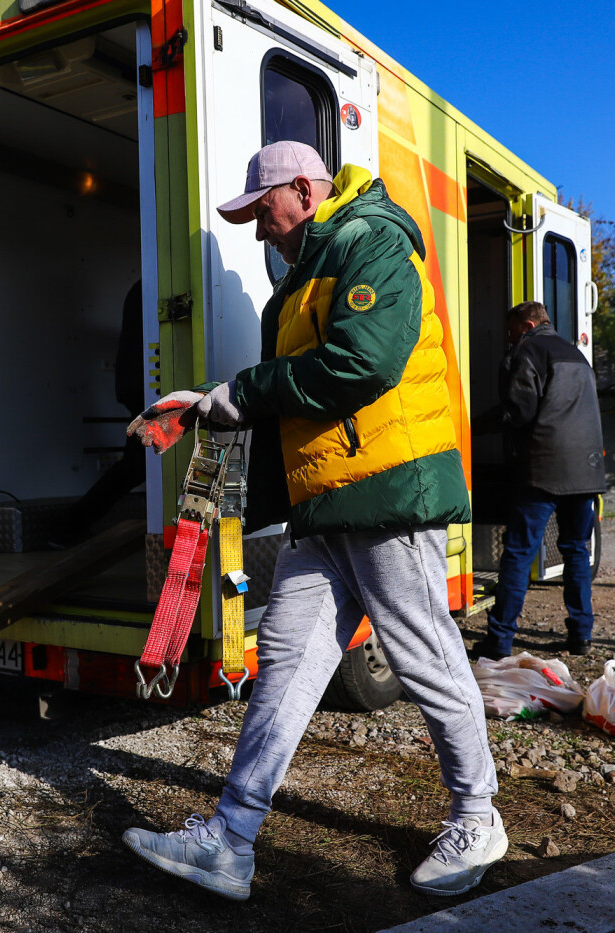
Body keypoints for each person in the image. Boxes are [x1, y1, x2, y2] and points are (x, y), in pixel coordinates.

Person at [121, 141, 505, 900]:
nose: (259, 230)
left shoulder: (373, 243)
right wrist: (209, 400)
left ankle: (478, 816)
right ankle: (231, 840)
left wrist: (246, 390)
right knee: (286, 671)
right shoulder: (308, 273)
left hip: (388, 494)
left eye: (263, 211)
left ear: (302, 188)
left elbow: (361, 364)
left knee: (427, 659)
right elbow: (289, 386)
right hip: (327, 502)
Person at [478, 300, 605, 661]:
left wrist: (473, 425)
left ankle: (500, 641)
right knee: (576, 549)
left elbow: (520, 410)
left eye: (511, 331)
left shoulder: (529, 350)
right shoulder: (576, 355)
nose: (509, 338)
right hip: (587, 471)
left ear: (527, 325)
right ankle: (581, 635)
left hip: (544, 469)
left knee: (518, 553)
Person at [51, 281, 145, 546]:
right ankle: (68, 527)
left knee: (136, 466)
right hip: (146, 388)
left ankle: (69, 526)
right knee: (136, 466)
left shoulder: (141, 287)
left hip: (137, 386)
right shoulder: (157, 283)